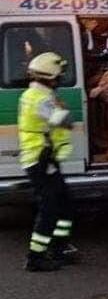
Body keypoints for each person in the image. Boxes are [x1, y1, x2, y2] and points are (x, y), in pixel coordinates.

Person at [18, 52, 78, 272]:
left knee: (65, 205)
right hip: (41, 161)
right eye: (59, 76)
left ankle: (59, 248)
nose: (60, 79)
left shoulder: (34, 94)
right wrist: (62, 108)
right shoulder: (40, 99)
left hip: (45, 159)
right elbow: (64, 121)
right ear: (50, 78)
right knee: (50, 209)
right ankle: (36, 258)